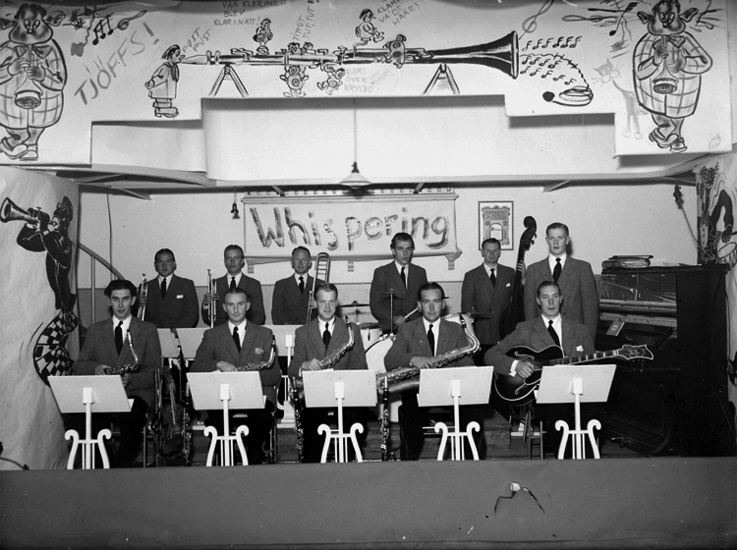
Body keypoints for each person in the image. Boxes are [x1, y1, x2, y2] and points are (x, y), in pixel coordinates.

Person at [486, 280, 596, 455]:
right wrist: (516, 365)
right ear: (538, 301)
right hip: (544, 394)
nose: (551, 302)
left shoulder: (580, 330)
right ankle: (567, 462)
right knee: (557, 413)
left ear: (561, 299)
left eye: (555, 296)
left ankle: (588, 462)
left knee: (594, 414)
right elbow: (491, 355)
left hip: (578, 392)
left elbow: (593, 368)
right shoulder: (525, 329)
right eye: (545, 297)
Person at [384, 282, 481, 460]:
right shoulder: (407, 329)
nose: (431, 307)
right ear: (419, 305)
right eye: (426, 302)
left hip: (449, 391)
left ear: (443, 304)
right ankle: (409, 464)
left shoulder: (455, 329)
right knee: (409, 410)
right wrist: (414, 359)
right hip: (417, 391)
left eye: (435, 301)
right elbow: (390, 359)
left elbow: (465, 361)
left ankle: (473, 462)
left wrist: (472, 373)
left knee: (473, 410)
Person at [71, 280, 161, 467]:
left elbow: (155, 370)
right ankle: (107, 466)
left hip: (135, 394)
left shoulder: (148, 330)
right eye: (115, 299)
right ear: (109, 301)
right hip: (102, 394)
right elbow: (80, 365)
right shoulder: (96, 330)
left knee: (131, 422)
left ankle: (121, 468)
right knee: (78, 421)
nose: (120, 305)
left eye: (125, 299)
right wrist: (95, 368)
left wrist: (131, 379)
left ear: (133, 300)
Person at [190, 287, 278, 465]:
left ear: (248, 306)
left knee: (260, 420)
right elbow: (195, 369)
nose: (236, 309)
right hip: (223, 397)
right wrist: (217, 364)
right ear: (224, 307)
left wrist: (252, 377)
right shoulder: (212, 335)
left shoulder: (264, 334)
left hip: (257, 396)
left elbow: (275, 375)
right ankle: (225, 465)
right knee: (216, 421)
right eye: (231, 305)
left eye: (240, 304)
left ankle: (253, 465)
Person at [289, 283, 369, 463]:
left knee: (356, 417)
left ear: (337, 302)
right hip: (315, 395)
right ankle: (313, 468)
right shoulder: (303, 332)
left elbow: (360, 367)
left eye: (331, 301)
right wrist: (304, 365)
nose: (327, 306)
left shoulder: (352, 330)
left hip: (346, 395)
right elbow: (292, 369)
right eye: (322, 301)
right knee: (311, 421)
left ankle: (348, 464)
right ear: (314, 303)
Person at [523, 223, 598, 339]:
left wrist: (588, 342)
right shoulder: (533, 270)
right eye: (552, 238)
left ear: (567, 240)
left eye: (560, 238)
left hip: (574, 337)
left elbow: (590, 312)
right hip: (543, 338)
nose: (556, 242)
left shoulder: (582, 268)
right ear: (546, 240)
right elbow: (530, 312)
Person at [461, 238, 516, 357]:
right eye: (488, 250)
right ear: (482, 252)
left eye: (495, 250)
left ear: (499, 252)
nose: (491, 253)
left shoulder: (509, 272)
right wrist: (471, 335)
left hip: (505, 329)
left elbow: (517, 301)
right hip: (483, 331)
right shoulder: (471, 276)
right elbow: (466, 309)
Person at [370, 232, 428, 333]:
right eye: (400, 249)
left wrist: (423, 304)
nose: (405, 253)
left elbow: (425, 298)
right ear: (393, 251)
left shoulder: (420, 272)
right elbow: (375, 305)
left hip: (415, 327)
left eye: (408, 249)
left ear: (412, 250)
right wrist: (393, 317)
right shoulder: (382, 272)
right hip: (391, 327)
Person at [202, 244, 265, 327]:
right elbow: (207, 319)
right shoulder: (215, 283)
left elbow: (259, 315)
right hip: (221, 331)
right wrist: (206, 304)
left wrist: (246, 329)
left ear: (242, 261)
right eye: (229, 258)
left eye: (236, 258)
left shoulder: (253, 284)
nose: (232, 261)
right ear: (225, 261)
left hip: (246, 331)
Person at [139, 248, 199, 328]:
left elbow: (191, 314)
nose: (164, 266)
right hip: (152, 332)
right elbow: (139, 316)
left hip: (178, 332)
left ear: (174, 264)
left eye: (168, 261)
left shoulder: (186, 284)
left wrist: (175, 330)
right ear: (155, 265)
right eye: (160, 262)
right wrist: (137, 305)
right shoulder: (145, 287)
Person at [271, 246, 323, 325]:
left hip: (313, 329)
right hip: (290, 329)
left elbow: (327, 313)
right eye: (297, 259)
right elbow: (276, 315)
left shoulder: (320, 284)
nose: (300, 263)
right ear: (292, 263)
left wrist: (318, 305)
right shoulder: (281, 285)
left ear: (310, 263)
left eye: (304, 259)